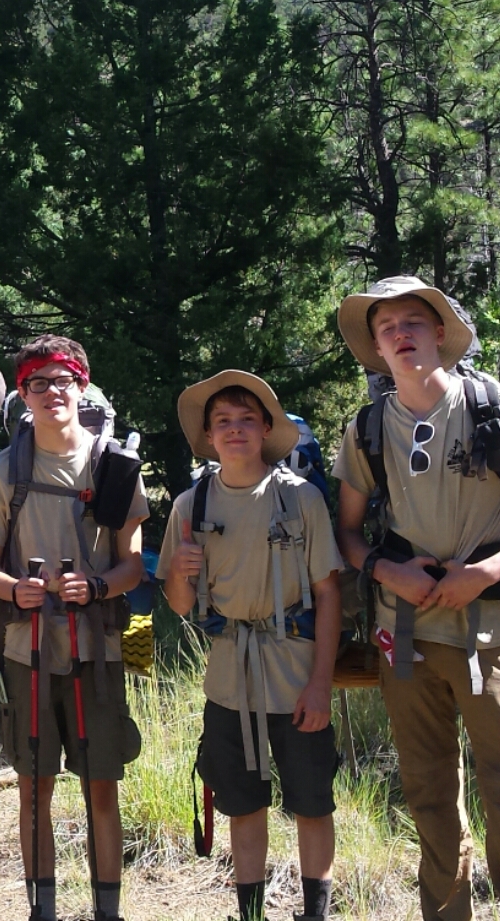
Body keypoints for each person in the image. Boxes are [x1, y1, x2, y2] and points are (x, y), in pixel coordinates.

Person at [331, 277, 500, 921]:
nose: (402, 335)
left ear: (440, 331)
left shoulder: (499, 408)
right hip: (404, 641)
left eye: (414, 322)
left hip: (491, 635)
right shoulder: (363, 431)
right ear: (376, 348)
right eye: (388, 329)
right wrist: (388, 572)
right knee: (429, 796)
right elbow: (347, 535)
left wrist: (484, 571)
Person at [0, 335, 147, 921]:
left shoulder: (114, 464)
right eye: (38, 383)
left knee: (102, 785)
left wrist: (95, 586)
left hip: (97, 650)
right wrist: (13, 588)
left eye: (63, 379)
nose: (52, 392)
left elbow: (132, 566)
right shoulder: (2, 472)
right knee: (34, 789)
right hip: (28, 650)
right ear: (22, 394)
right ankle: (40, 911)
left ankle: (107, 912)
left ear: (83, 385)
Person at [162, 371, 341, 921]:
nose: (234, 430)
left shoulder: (300, 498)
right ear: (209, 437)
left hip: (296, 679)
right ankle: (252, 913)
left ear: (267, 428)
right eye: (222, 422)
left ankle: (316, 912)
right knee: (244, 805)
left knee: (312, 804)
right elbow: (176, 602)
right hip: (228, 683)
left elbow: (328, 595)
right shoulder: (189, 507)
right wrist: (181, 574)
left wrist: (320, 685)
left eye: (246, 419)